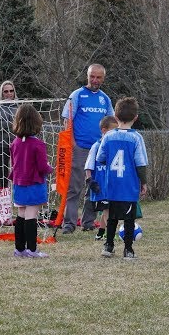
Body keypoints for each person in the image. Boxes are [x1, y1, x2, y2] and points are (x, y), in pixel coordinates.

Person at [60, 64, 114, 234]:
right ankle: (69, 223)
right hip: (80, 148)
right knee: (74, 187)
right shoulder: (77, 95)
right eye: (92, 76)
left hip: (99, 151)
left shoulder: (105, 99)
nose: (95, 80)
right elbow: (67, 121)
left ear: (103, 78)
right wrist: (73, 143)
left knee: (94, 186)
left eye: (98, 77)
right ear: (87, 76)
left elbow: (111, 123)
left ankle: (88, 222)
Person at [96, 97, 148, 259]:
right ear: (135, 118)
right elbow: (141, 163)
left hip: (111, 184)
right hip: (129, 185)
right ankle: (128, 250)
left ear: (116, 117)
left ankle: (108, 245)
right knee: (129, 218)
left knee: (111, 216)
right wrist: (144, 182)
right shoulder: (136, 138)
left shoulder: (109, 136)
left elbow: (100, 158)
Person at [9, 103, 54, 258]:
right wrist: (50, 168)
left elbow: (14, 164)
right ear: (36, 122)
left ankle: (19, 249)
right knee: (31, 215)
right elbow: (42, 167)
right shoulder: (38, 144)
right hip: (34, 184)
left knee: (21, 213)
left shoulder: (14, 143)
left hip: (18, 184)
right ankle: (32, 250)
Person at [84, 115, 118, 243]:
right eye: (113, 130)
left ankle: (100, 233)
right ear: (104, 130)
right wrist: (90, 180)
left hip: (111, 185)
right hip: (100, 186)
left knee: (107, 210)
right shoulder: (96, 146)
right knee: (108, 211)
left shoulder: (113, 146)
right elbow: (89, 165)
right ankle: (111, 234)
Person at [0, 80, 18, 188]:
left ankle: (17, 199)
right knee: (3, 173)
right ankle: (4, 199)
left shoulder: (18, 107)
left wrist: (8, 124)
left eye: (11, 91)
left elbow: (20, 125)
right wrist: (11, 123)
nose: (9, 93)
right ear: (2, 93)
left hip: (16, 143)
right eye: (6, 91)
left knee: (18, 170)